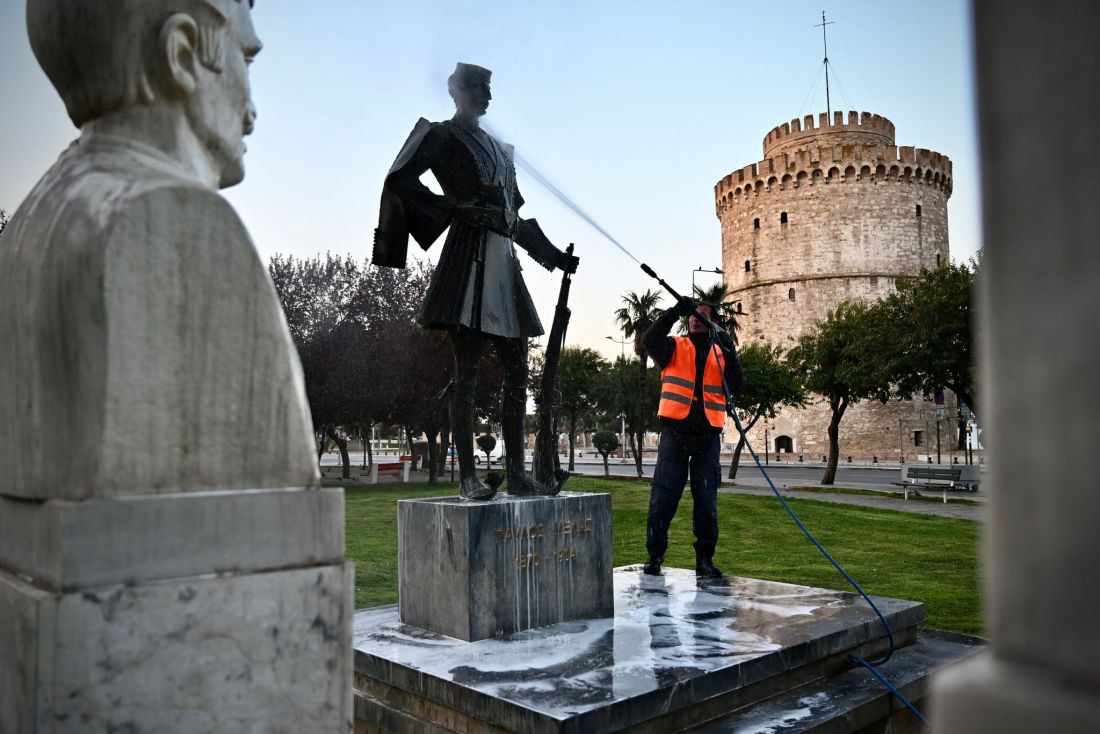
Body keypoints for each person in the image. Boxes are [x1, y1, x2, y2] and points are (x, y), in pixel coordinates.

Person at [0, 0, 318, 496]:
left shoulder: (26, 225)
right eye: (246, 59)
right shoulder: (185, 222)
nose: (252, 110)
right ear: (182, 55)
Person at [374, 63, 578, 500]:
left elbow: (514, 219)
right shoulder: (442, 136)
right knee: (464, 373)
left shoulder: (502, 151)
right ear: (457, 90)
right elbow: (399, 180)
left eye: (490, 88)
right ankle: (467, 476)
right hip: (468, 262)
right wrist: (453, 209)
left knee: (518, 371)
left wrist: (555, 256)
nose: (487, 94)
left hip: (505, 267)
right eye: (479, 87)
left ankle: (518, 475)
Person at [642, 299, 745, 578]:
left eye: (702, 316)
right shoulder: (674, 346)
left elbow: (736, 385)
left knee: (706, 504)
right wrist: (674, 311)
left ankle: (704, 561)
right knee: (663, 499)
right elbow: (649, 339)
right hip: (675, 435)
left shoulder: (721, 354)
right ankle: (654, 556)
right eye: (692, 316)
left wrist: (730, 350)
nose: (695, 320)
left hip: (707, 437)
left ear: (714, 322)